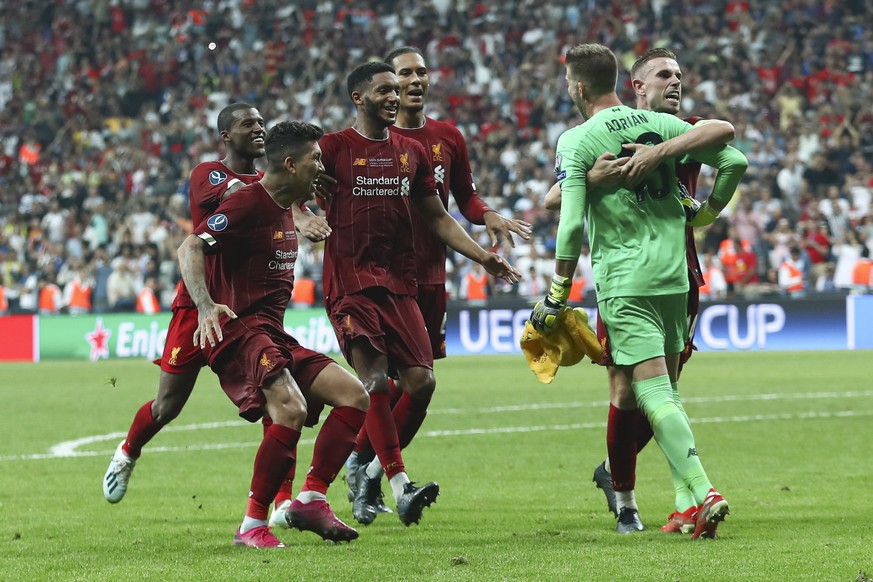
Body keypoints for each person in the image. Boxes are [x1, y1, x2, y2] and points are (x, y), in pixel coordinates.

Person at [531, 44, 747, 540]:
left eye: (678, 74)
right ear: (634, 85)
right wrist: (706, 211)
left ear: (577, 88)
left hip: (627, 280)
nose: (675, 83)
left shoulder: (585, 136)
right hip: (674, 273)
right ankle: (676, 503)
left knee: (650, 391)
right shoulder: (669, 128)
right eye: (664, 75)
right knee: (653, 392)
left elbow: (565, 223)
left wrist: (558, 291)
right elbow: (734, 157)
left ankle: (701, 489)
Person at [102, 103, 331, 516]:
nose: (258, 129)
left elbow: (272, 195)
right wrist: (295, 208)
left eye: (262, 123)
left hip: (245, 308)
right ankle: (128, 450)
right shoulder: (210, 174)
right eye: (248, 124)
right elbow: (247, 198)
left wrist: (296, 203)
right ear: (226, 136)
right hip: (198, 305)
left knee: (277, 393)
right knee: (167, 405)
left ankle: (280, 501)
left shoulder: (274, 183)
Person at [319, 61, 520, 527]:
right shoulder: (331, 148)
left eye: (402, 84)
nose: (396, 94)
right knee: (376, 384)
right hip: (351, 283)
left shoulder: (417, 150)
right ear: (358, 96)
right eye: (386, 87)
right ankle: (392, 481)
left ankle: (367, 468)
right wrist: (305, 212)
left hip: (407, 281)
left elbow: (441, 214)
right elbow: (289, 185)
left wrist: (482, 256)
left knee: (422, 382)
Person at [178, 120, 370, 549]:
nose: (321, 166)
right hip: (239, 329)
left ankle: (311, 499)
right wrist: (206, 306)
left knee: (355, 396)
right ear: (290, 163)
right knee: (290, 408)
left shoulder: (288, 206)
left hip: (272, 332)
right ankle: (251, 525)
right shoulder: (248, 203)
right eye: (315, 159)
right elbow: (189, 246)